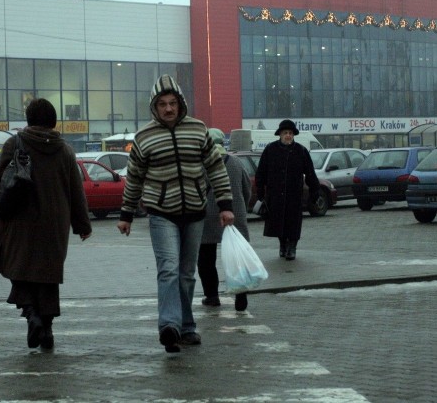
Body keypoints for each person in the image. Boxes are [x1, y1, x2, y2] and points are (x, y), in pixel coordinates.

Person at [118, 74, 235, 353]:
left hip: (195, 211)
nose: (168, 109)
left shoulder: (197, 129)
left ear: (180, 103)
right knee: (168, 269)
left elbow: (216, 167)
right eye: (162, 104)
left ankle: (187, 326)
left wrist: (226, 205)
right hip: (161, 213)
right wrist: (126, 214)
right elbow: (134, 178)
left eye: (172, 103)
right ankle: (169, 326)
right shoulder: (144, 137)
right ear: (154, 107)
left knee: (186, 273)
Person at [0, 98, 92, 351]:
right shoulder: (64, 149)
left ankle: (31, 314)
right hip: (54, 225)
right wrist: (82, 224)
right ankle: (48, 331)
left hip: (19, 222)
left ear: (29, 119)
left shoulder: (15, 143)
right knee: (47, 277)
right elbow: (76, 191)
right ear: (53, 120)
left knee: (18, 270)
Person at [198, 128, 252, 312]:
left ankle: (212, 296)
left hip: (206, 216)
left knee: (206, 258)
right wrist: (242, 206)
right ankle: (241, 294)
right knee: (238, 256)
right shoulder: (236, 163)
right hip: (234, 214)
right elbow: (247, 190)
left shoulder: (201, 164)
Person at [255, 119, 320, 261]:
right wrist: (260, 192)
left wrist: (315, 192)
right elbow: (261, 173)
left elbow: (310, 173)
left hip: (294, 195)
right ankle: (282, 245)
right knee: (278, 223)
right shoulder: (270, 150)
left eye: (290, 133)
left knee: (294, 223)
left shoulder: (301, 151)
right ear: (280, 134)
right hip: (275, 195)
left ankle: (292, 247)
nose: (288, 136)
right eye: (285, 133)